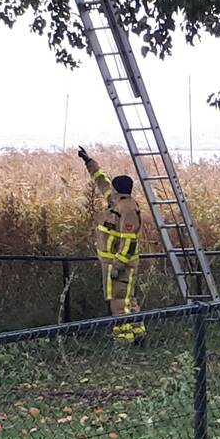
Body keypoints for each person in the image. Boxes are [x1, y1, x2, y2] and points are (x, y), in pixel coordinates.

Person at [77, 146, 146, 344]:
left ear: (119, 189)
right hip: (112, 263)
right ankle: (138, 333)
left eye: (114, 188)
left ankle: (124, 340)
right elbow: (102, 181)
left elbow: (129, 242)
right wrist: (89, 162)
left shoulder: (128, 209)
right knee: (126, 299)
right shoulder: (116, 201)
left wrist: (117, 266)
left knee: (119, 301)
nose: (111, 190)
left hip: (121, 265)